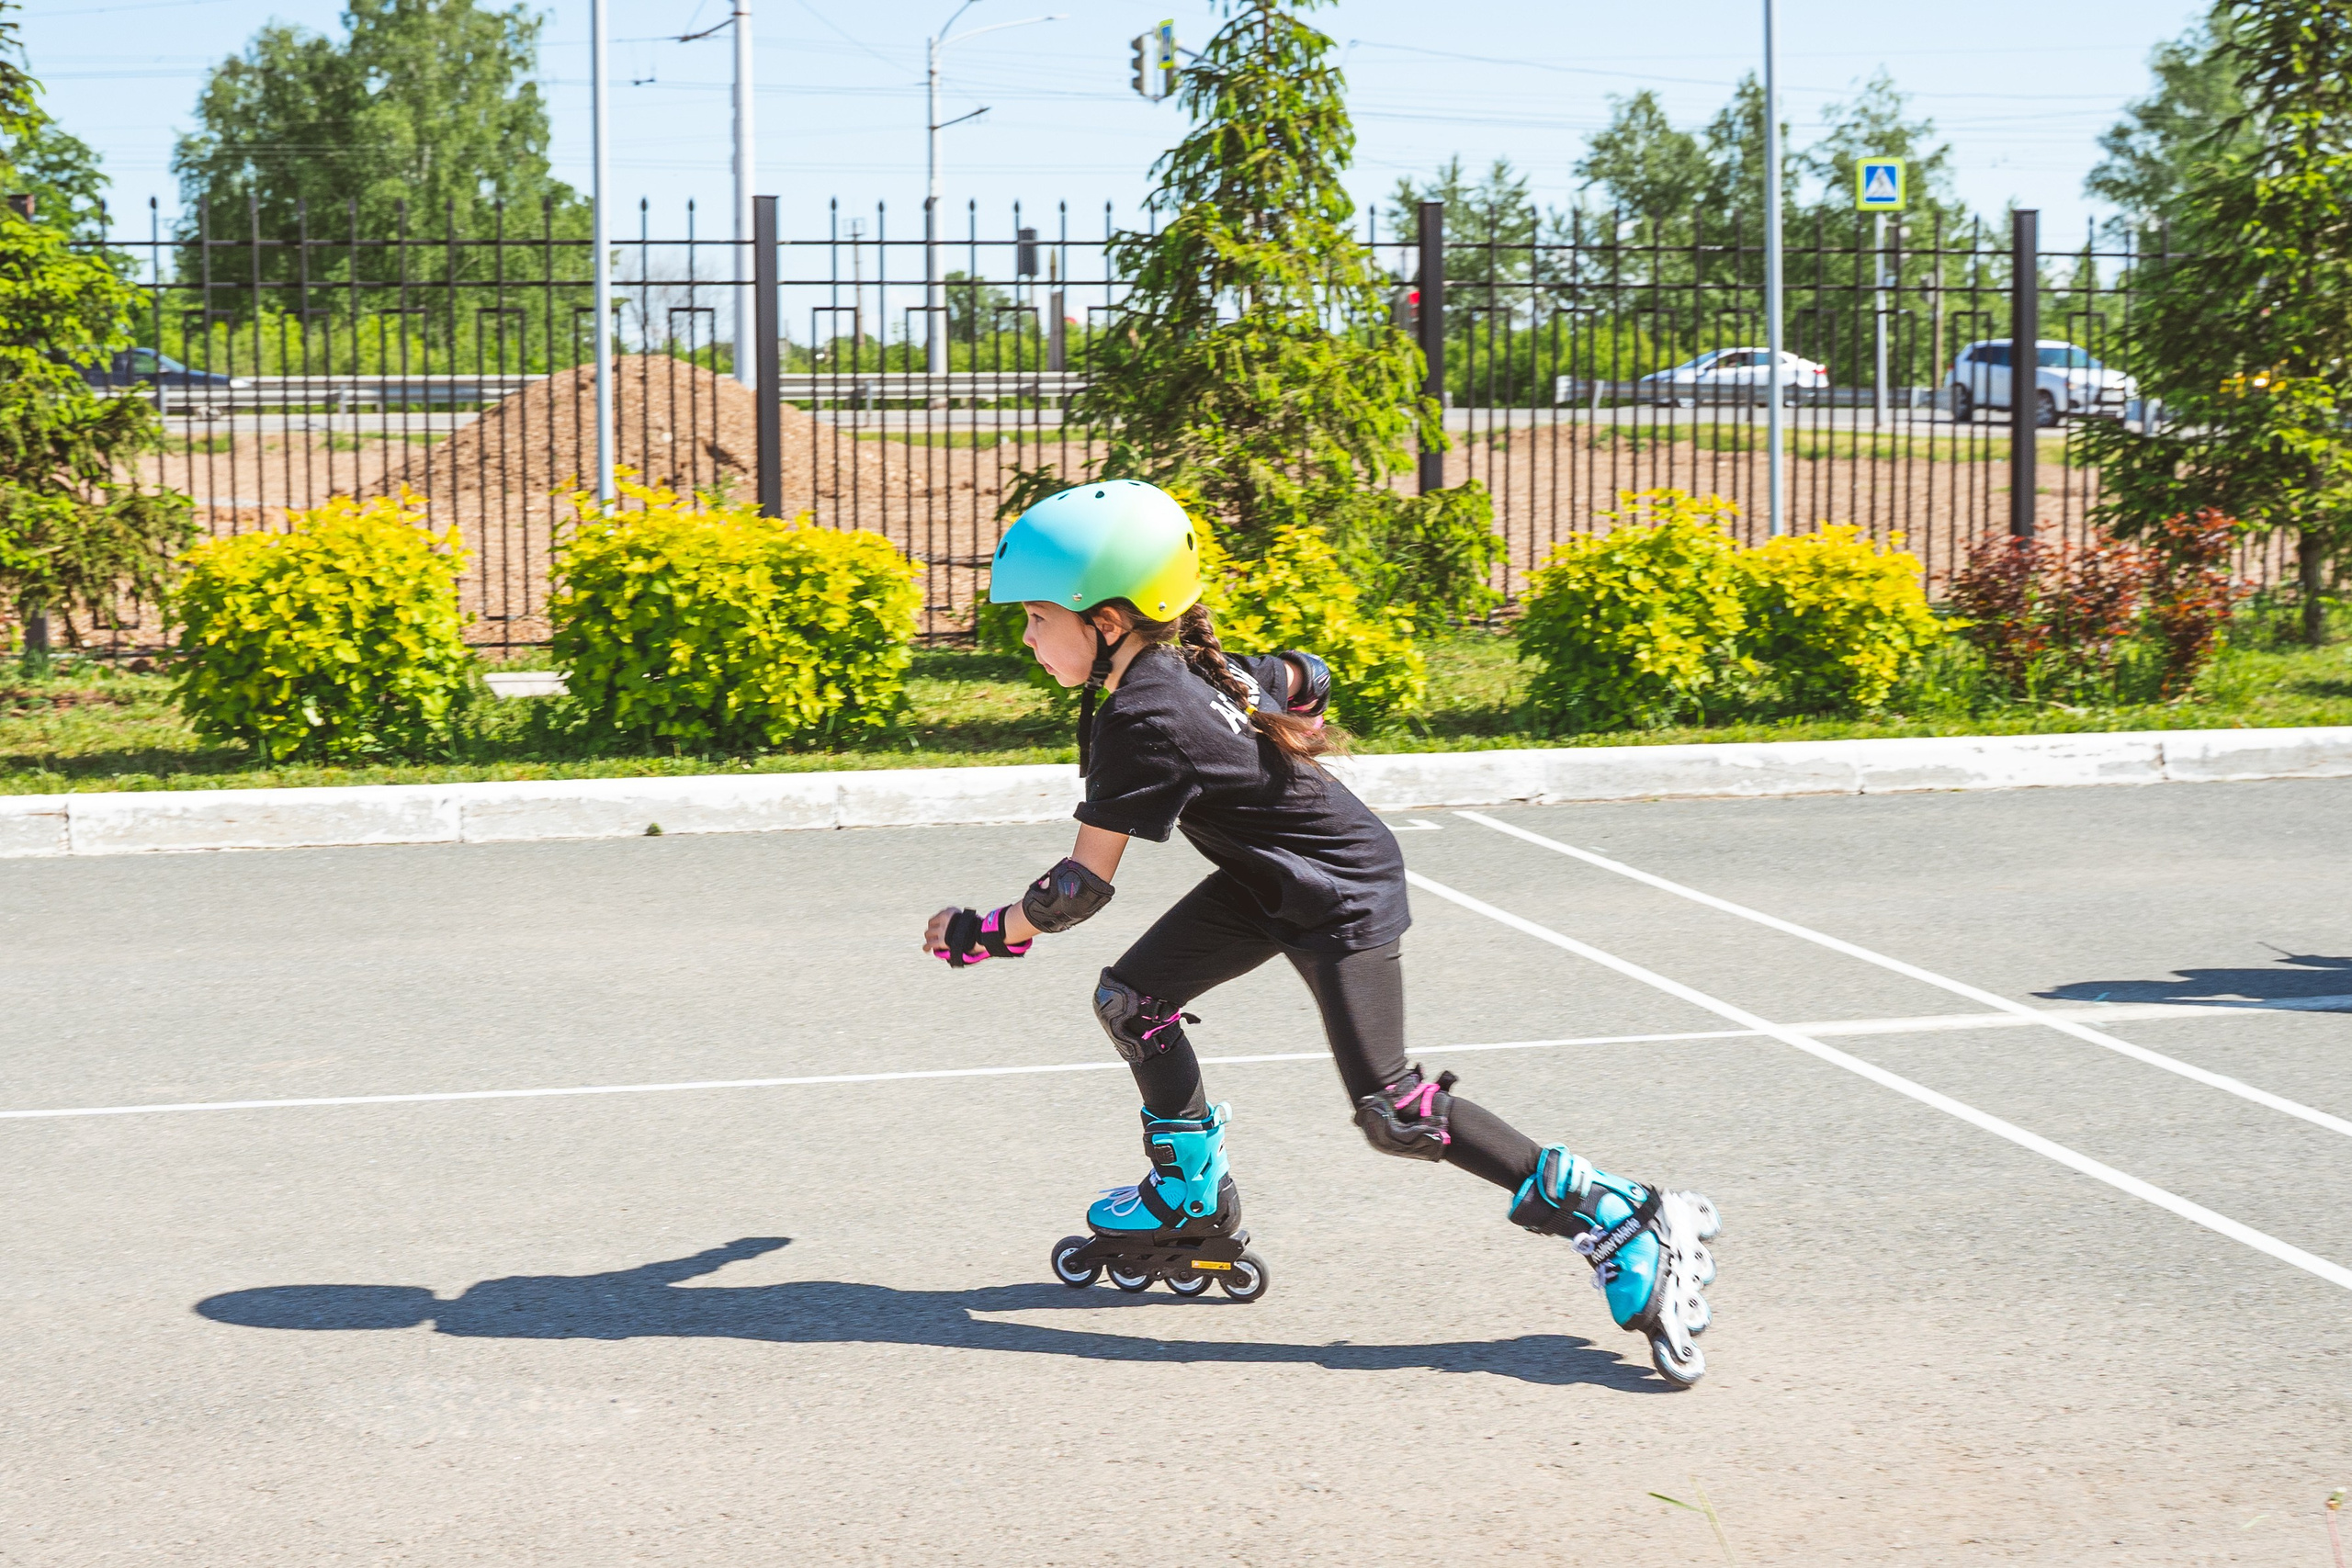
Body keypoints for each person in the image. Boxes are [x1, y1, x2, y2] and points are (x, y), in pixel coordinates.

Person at [922, 479, 1722, 1383]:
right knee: (1132, 1001)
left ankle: (1622, 1213)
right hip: (1269, 882)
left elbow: (1075, 889)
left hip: (1340, 894)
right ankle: (1187, 1197)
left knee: (1395, 1112)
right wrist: (1296, 701)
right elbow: (1299, 671)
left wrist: (983, 932)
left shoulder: (1145, 713)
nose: (1024, 638)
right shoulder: (1175, 667)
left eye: (1035, 618)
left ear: (1107, 619)